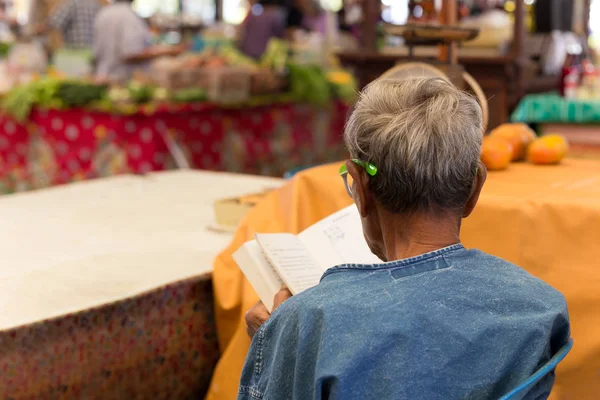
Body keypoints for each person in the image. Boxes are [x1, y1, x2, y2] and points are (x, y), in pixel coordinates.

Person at [240, 77, 571, 399]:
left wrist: (278, 343)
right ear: (474, 188)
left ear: (361, 187)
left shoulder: (310, 323)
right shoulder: (542, 309)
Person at [93, 0, 185, 82]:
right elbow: (131, 54)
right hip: (124, 80)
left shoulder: (103, 13)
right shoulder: (128, 16)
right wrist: (167, 51)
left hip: (103, 77)